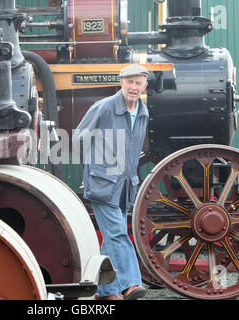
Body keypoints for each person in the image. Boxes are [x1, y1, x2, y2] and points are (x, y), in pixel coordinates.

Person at [72, 64, 149, 300]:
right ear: (121, 82)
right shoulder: (104, 107)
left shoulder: (143, 112)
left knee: (110, 237)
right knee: (117, 233)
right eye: (130, 82)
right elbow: (79, 139)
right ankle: (130, 284)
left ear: (145, 85)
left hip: (126, 185)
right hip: (103, 184)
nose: (134, 87)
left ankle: (105, 291)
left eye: (138, 83)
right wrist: (92, 173)